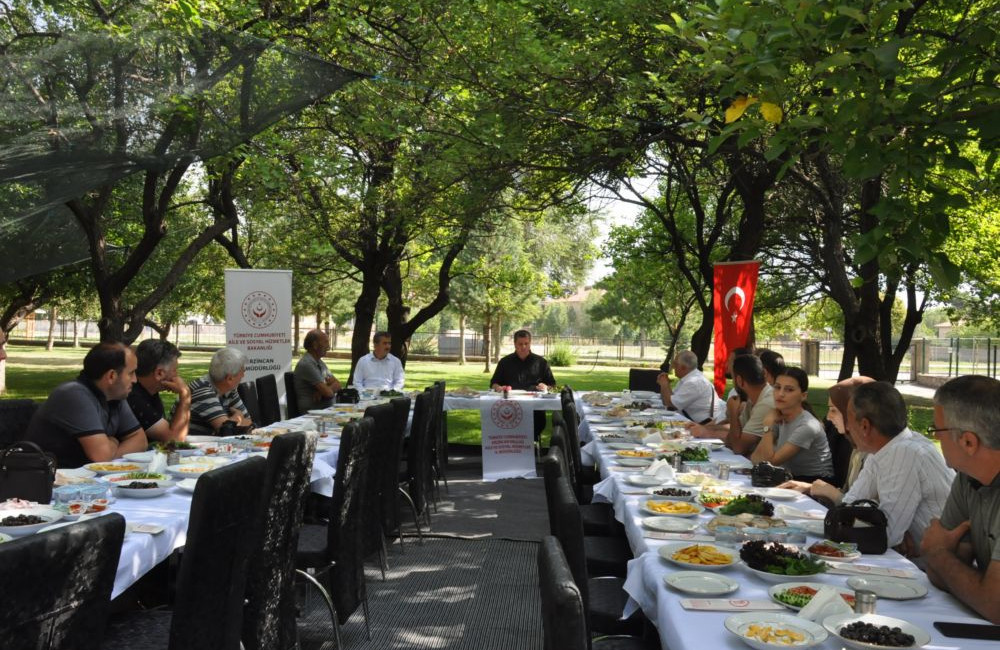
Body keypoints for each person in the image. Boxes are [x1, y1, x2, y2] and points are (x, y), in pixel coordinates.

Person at [804, 382, 953, 556]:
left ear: (865, 426)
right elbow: (847, 508)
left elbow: (885, 536)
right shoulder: (882, 449)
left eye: (849, 422)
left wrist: (872, 517)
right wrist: (873, 514)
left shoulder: (904, 453)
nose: (848, 429)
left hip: (929, 570)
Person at [921, 375, 1000, 624]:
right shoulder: (968, 478)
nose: (936, 438)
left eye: (936, 430)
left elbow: (994, 605)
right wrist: (946, 560)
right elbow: (939, 575)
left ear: (968, 441)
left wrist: (937, 552)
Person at [25, 342, 148, 467]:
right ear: (111, 376)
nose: (135, 380)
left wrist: (110, 448)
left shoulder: (115, 395)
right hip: (51, 480)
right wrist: (114, 442)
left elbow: (140, 441)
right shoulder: (74, 394)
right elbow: (101, 456)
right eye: (131, 373)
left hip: (85, 479)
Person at [780, 376, 875, 495]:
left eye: (833, 410)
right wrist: (810, 487)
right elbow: (849, 494)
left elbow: (857, 505)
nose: (829, 417)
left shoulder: (873, 453)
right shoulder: (857, 448)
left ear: (852, 413)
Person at [750, 367, 834, 482]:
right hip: (790, 478)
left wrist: (767, 425)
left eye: (789, 390)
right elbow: (755, 458)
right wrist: (769, 425)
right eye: (777, 387)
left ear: (803, 396)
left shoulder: (808, 426)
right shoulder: (778, 416)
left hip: (814, 485)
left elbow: (771, 462)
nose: (780, 394)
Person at [692, 354, 773, 455]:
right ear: (764, 373)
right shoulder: (752, 399)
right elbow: (731, 441)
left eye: (733, 378)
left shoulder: (766, 403)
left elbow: (738, 448)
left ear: (739, 380)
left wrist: (733, 413)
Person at [489, 329, 556, 438]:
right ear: (515, 344)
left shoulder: (541, 362)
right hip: (509, 410)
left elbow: (552, 384)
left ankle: (532, 449)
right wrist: (498, 387)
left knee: (536, 427)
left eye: (526, 343)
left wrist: (546, 387)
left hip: (535, 411)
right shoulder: (505, 362)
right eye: (520, 344)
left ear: (530, 343)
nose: (523, 347)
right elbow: (493, 383)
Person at [127, 339, 191, 442]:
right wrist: (185, 395)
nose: (177, 376)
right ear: (159, 373)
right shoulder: (134, 398)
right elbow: (175, 439)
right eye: (174, 370)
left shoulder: (149, 391)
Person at [185, 346, 253, 436]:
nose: (243, 375)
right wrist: (238, 416)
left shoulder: (229, 389)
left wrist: (232, 422)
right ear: (229, 378)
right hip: (193, 447)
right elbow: (226, 431)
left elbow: (249, 422)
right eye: (243, 371)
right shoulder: (202, 390)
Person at [656, 350, 725, 424]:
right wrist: (665, 386)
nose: (673, 367)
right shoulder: (688, 378)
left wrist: (664, 384)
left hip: (706, 425)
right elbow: (668, 400)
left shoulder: (694, 382)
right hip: (695, 422)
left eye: (675, 364)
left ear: (683, 367)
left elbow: (670, 404)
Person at [294, 329, 342, 413]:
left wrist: (323, 390)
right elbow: (329, 394)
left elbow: (338, 384)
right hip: (312, 414)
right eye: (326, 342)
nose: (328, 346)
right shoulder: (307, 364)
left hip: (324, 411)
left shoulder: (319, 362)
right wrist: (326, 390)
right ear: (315, 345)